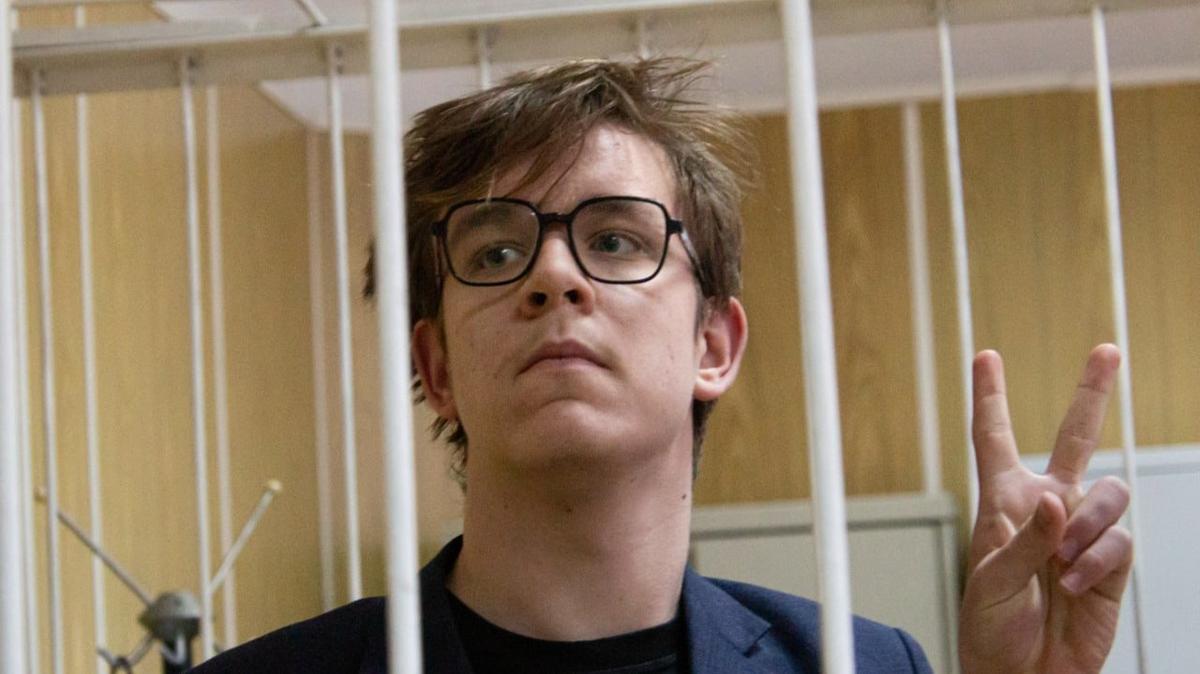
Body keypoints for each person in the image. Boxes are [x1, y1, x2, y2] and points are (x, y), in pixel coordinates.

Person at [191, 58, 1133, 674]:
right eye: (494, 251)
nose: (554, 275)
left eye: (614, 239)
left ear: (712, 346)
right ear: (436, 368)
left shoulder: (864, 665)